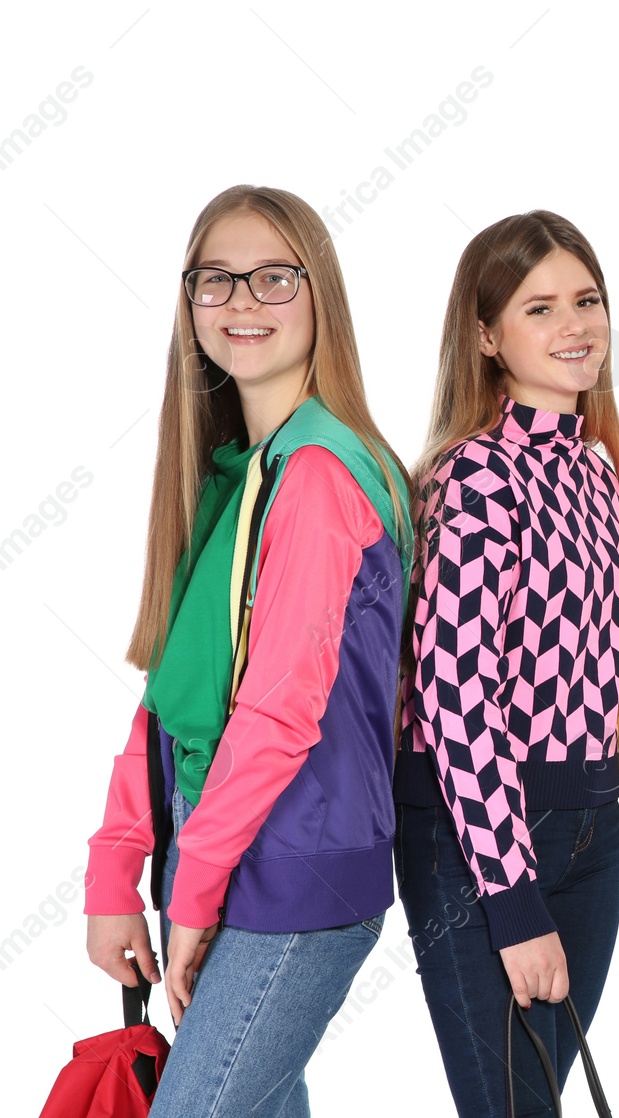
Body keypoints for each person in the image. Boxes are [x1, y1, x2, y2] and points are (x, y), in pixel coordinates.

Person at [84, 184, 412, 1117]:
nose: (242, 302)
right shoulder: (243, 470)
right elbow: (170, 692)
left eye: (274, 277)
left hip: (290, 881)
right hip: (229, 862)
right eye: (216, 281)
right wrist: (119, 866)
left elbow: (278, 712)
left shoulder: (317, 475)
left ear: (322, 298)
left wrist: (189, 893)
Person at [398, 210, 619, 1117]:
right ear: (488, 336)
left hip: (588, 821)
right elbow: (455, 700)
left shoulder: (596, 470)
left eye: (587, 300)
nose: (576, 325)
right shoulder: (472, 476)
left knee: (536, 1099)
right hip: (478, 838)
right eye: (541, 309)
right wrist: (513, 900)